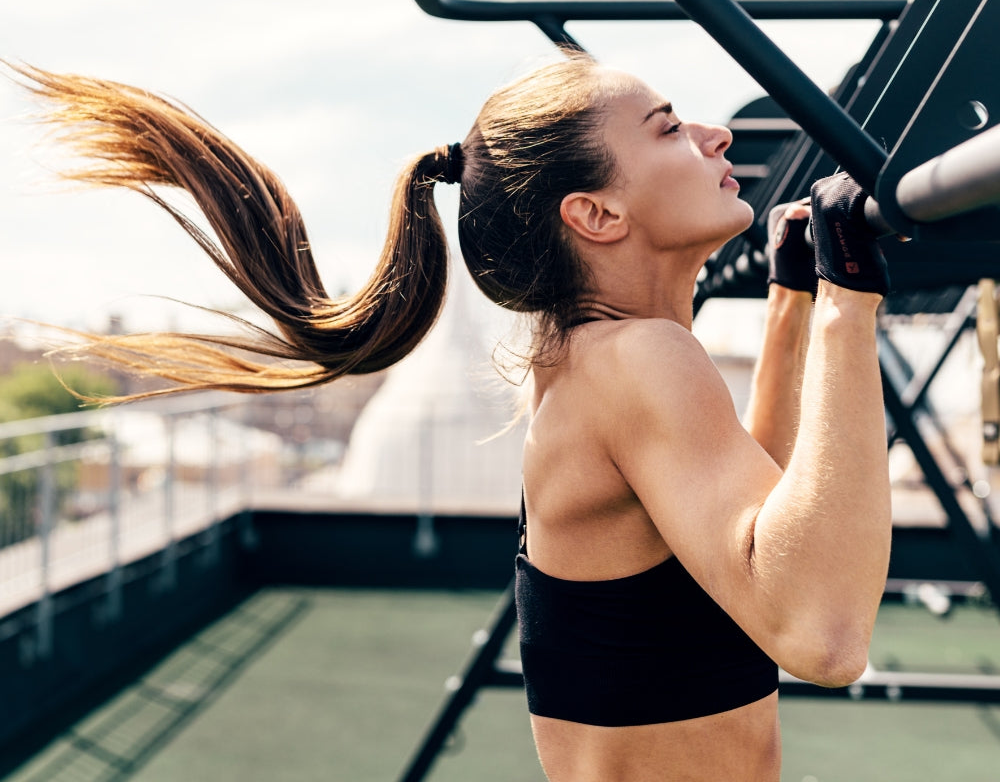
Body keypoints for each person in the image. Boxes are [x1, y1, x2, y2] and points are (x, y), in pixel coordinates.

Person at [6, 52, 891, 781]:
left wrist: (795, 305)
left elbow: (753, 554)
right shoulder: (638, 362)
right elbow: (821, 632)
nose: (716, 134)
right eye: (669, 128)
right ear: (594, 212)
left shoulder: (596, 360)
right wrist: (851, 305)